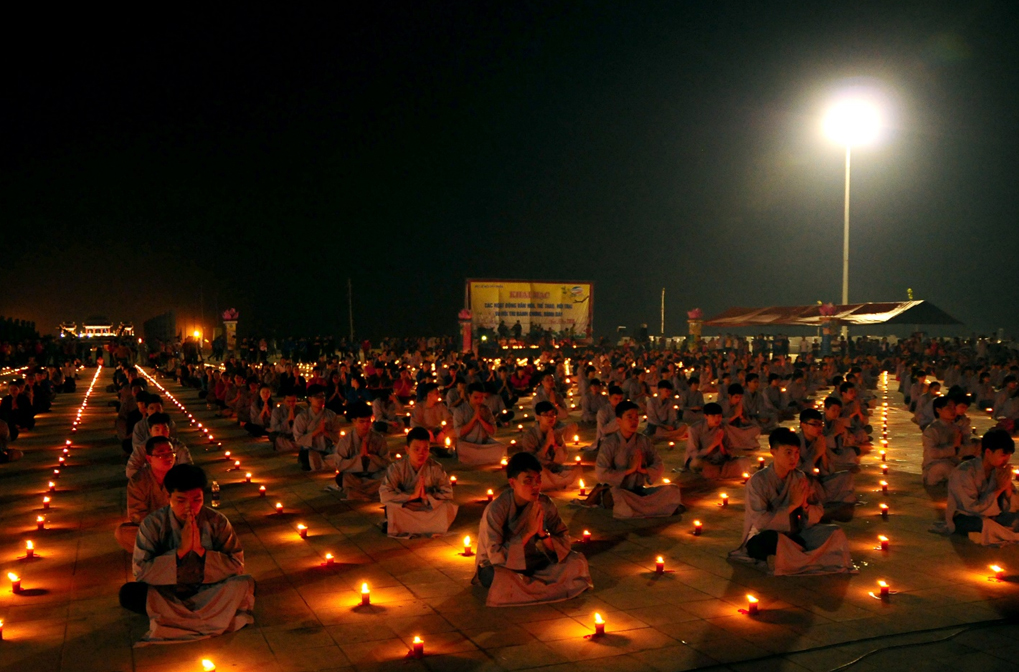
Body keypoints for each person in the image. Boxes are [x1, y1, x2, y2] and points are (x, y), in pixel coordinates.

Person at [118, 464, 255, 643]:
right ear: (168, 497)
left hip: (209, 591)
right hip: (170, 593)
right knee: (129, 593)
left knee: (246, 583)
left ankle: (176, 620)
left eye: (196, 500)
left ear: (203, 496)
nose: (190, 508)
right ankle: (207, 618)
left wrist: (201, 552)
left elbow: (237, 565)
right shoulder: (153, 524)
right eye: (181, 501)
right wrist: (180, 552)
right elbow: (141, 571)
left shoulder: (217, 521)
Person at [472, 452, 593, 607]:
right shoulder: (496, 510)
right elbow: (496, 556)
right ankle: (545, 587)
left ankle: (533, 587)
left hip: (530, 562)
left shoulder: (544, 503)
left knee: (576, 562)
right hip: (499, 567)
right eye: (528, 481)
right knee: (500, 578)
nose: (535, 486)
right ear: (512, 483)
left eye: (538, 480)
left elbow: (563, 539)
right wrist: (527, 533)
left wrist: (543, 535)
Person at [730, 428, 853, 575]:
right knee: (770, 540)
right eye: (788, 452)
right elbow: (760, 523)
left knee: (834, 532)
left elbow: (816, 511)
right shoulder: (758, 482)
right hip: (767, 535)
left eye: (796, 453)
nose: (794, 458)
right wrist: (792, 505)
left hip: (795, 534)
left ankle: (789, 558)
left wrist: (805, 506)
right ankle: (798, 557)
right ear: (773, 452)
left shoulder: (800, 477)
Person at [593, 400, 683, 518]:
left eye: (636, 417)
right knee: (617, 496)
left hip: (638, 491)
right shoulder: (609, 443)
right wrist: (629, 470)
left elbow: (659, 464)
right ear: (618, 421)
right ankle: (652, 508)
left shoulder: (643, 441)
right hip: (619, 491)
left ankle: (639, 509)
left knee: (673, 490)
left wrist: (643, 470)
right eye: (629, 417)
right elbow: (601, 473)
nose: (634, 421)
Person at [379, 427, 458, 537]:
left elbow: (448, 493)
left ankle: (405, 526)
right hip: (407, 507)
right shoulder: (397, 468)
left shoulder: (435, 468)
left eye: (425, 449)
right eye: (416, 449)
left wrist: (427, 497)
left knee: (447, 507)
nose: (421, 454)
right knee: (392, 508)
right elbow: (384, 494)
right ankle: (424, 526)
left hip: (427, 507)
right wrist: (411, 496)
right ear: (407, 449)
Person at [946, 429, 1018, 536]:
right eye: (1003, 455)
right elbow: (972, 508)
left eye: (1008, 456)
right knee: (982, 524)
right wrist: (999, 489)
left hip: (992, 516)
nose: (1006, 461)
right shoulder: (964, 472)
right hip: (967, 517)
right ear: (988, 452)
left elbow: (1013, 507)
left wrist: (1007, 488)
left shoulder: (997, 470)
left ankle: (1000, 529)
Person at [116, 436, 174, 553]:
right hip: (152, 529)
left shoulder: (181, 476)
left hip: (177, 527)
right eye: (161, 454)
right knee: (122, 533)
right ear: (149, 458)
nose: (168, 457)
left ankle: (157, 552)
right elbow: (136, 515)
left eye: (171, 452)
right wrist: (159, 527)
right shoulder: (139, 480)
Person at [328, 401, 390, 499]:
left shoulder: (379, 439)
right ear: (354, 421)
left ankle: (357, 493)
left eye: (368, 421)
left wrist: (371, 457)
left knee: (388, 475)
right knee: (344, 477)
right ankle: (371, 492)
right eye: (362, 421)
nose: (366, 425)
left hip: (374, 475)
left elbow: (386, 462)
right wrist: (358, 458)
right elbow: (339, 464)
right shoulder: (346, 441)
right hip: (354, 476)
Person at [516, 401, 582, 491]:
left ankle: (556, 483)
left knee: (577, 470)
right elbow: (530, 463)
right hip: (539, 471)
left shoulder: (555, 432)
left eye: (553, 414)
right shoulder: (529, 436)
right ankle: (559, 483)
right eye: (546, 414)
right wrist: (547, 444)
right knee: (540, 475)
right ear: (538, 416)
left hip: (553, 470)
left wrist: (557, 446)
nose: (551, 417)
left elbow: (562, 459)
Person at [797, 408, 855, 507]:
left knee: (846, 476)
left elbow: (827, 471)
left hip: (819, 480)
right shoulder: (795, 442)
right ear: (803, 425)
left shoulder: (819, 440)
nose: (819, 428)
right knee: (807, 485)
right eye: (815, 424)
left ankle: (824, 499)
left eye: (820, 424)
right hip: (803, 481)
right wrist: (816, 455)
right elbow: (797, 472)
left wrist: (822, 452)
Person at [684, 402, 750, 478]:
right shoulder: (694, 429)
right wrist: (713, 445)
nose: (717, 419)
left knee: (744, 461)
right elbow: (693, 453)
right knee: (697, 463)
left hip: (719, 461)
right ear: (706, 416)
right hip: (703, 460)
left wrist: (720, 444)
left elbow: (728, 452)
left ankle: (715, 472)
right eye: (713, 416)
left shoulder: (722, 427)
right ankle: (718, 472)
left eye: (719, 416)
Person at [126, 413, 192, 479]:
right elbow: (130, 470)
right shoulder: (143, 448)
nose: (161, 433)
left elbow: (187, 467)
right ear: (150, 431)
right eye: (157, 429)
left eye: (165, 429)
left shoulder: (178, 446)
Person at [453, 382, 505, 465]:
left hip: (484, 444)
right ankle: (481, 458)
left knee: (500, 447)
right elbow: (459, 433)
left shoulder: (486, 409)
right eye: (476, 397)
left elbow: (493, 432)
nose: (479, 400)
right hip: (468, 444)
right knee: (461, 447)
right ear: (469, 396)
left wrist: (480, 419)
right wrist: (474, 418)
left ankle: (476, 458)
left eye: (481, 398)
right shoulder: (459, 410)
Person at [293, 384, 339, 471]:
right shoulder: (302, 416)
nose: (320, 399)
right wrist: (317, 431)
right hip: (310, 450)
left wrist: (325, 432)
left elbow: (337, 437)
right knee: (307, 461)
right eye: (317, 397)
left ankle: (321, 463)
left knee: (343, 454)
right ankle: (325, 463)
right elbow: (298, 439)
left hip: (327, 449)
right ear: (310, 399)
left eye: (322, 396)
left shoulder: (331, 415)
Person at [922, 396, 962, 486]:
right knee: (944, 467)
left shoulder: (956, 428)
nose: (953, 411)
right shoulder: (932, 430)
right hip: (934, 468)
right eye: (948, 408)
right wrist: (954, 448)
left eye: (954, 408)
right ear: (938, 410)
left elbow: (962, 448)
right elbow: (933, 453)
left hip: (953, 464)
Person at [720, 384, 762, 450]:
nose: (738, 400)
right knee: (725, 428)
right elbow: (719, 422)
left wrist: (743, 420)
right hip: (727, 429)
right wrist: (735, 415)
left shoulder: (740, 405)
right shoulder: (721, 405)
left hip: (737, 430)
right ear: (729, 396)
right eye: (736, 397)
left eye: (740, 397)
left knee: (756, 428)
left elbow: (746, 421)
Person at [593, 385, 625, 451]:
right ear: (609, 398)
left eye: (621, 399)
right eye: (616, 399)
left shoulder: (625, 410)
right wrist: (619, 419)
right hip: (606, 439)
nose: (619, 402)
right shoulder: (603, 411)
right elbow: (603, 430)